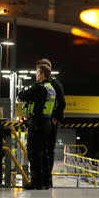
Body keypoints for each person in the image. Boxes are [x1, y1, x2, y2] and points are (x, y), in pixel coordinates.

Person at [18, 65, 56, 190]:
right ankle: (45, 182)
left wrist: (31, 87)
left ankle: (36, 182)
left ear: (42, 74)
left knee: (34, 153)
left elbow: (21, 95)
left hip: (37, 123)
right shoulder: (51, 88)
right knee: (44, 154)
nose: (36, 75)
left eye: (37, 73)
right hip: (47, 123)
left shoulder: (40, 88)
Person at [36, 58, 66, 188]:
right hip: (43, 122)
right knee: (42, 151)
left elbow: (62, 103)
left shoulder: (55, 84)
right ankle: (43, 180)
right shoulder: (42, 84)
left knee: (48, 151)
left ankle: (47, 180)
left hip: (51, 122)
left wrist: (56, 118)